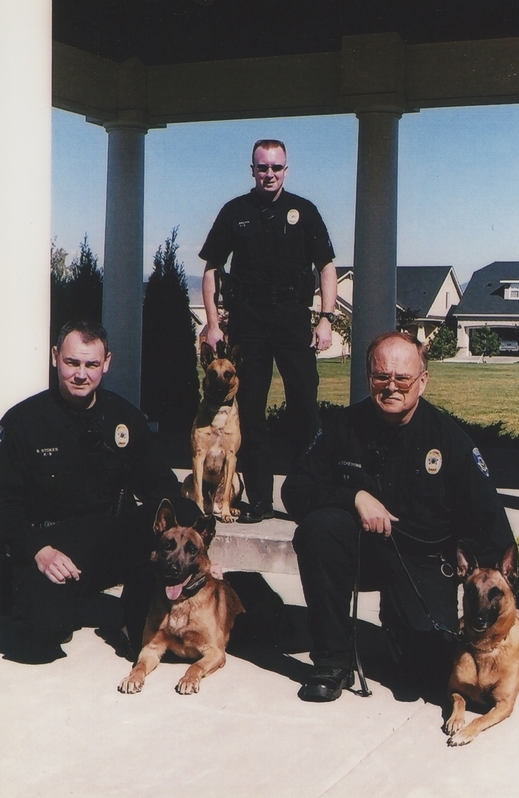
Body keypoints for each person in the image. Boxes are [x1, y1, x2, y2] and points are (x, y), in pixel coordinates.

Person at [281, 331, 515, 701]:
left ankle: (399, 625)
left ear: (422, 381)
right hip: (360, 553)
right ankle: (332, 660)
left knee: (425, 677)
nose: (391, 387)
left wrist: (513, 616)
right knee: (319, 528)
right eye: (381, 377)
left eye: (402, 378)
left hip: (423, 564)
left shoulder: (449, 440)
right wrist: (354, 496)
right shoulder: (343, 427)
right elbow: (294, 491)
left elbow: (489, 522)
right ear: (369, 378)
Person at [0, 320, 200, 663]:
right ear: (55, 357)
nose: (81, 375)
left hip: (109, 542)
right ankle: (57, 603)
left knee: (184, 509)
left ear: (106, 362)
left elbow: (161, 485)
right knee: (41, 636)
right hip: (53, 548)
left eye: (92, 365)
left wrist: (185, 544)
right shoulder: (22, 423)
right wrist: (39, 551)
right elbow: (5, 504)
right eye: (72, 363)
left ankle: (133, 614)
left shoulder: (124, 418)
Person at [200, 139, 338, 523]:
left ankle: (306, 497)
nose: (270, 174)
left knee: (305, 408)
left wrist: (325, 318)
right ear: (253, 170)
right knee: (252, 412)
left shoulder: (304, 211)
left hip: (293, 319)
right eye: (263, 168)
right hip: (249, 322)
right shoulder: (235, 211)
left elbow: (326, 267)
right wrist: (212, 324)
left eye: (277, 168)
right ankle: (259, 501)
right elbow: (211, 267)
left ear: (286, 169)